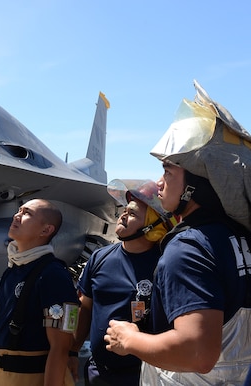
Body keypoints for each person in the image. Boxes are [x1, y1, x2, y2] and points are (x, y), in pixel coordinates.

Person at [104, 81, 251, 384]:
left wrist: (128, 339)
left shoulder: (189, 248)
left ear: (197, 186)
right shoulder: (238, 240)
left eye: (168, 172)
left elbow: (197, 352)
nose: (159, 183)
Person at [70, 179, 175, 385]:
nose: (123, 215)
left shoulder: (166, 264)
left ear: (152, 227)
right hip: (97, 372)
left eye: (133, 213)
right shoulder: (99, 257)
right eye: (125, 210)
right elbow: (85, 308)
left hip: (143, 376)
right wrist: (72, 352)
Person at [0, 198, 78, 386]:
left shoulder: (54, 276)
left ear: (46, 230)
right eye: (19, 210)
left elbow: (61, 347)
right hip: (2, 376)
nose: (17, 215)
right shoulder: (11, 272)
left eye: (27, 213)